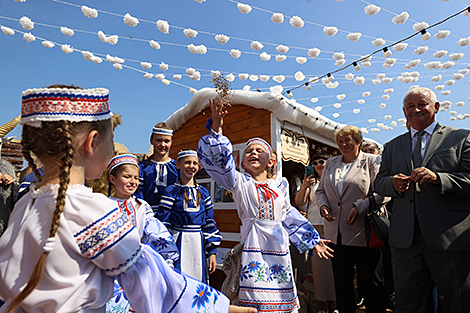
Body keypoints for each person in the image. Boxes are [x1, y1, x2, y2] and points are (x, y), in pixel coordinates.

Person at [0, 85, 256, 313]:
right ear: (92, 143)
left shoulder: (25, 203)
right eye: (111, 140)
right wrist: (219, 306)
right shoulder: (91, 210)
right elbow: (147, 278)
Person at [198, 99, 333, 312]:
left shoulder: (280, 184)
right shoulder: (239, 182)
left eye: (258, 150)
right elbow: (220, 164)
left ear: (271, 161)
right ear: (242, 164)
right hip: (253, 248)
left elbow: (289, 215)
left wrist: (313, 241)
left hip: (278, 248)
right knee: (254, 301)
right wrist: (216, 125)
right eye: (248, 151)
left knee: (280, 300)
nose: (252, 153)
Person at [374, 87, 470, 313]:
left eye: (422, 104)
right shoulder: (391, 146)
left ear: (436, 107)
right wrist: (392, 184)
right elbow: (379, 183)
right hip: (405, 241)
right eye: (410, 107)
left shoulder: (462, 138)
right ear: (404, 113)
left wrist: (439, 179)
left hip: (447, 239)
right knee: (409, 304)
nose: (416, 110)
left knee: (458, 303)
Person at [316, 125, 389, 313]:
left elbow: (384, 193)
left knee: (370, 284)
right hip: (335, 233)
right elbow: (321, 191)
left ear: (358, 142)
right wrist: (323, 206)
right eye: (340, 141)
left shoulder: (372, 161)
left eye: (347, 140)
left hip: (363, 232)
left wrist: (360, 206)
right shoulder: (331, 163)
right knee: (342, 285)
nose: (343, 144)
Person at [105, 154, 179, 313]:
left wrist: (168, 259)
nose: (133, 181)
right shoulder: (104, 205)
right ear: (113, 179)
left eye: (136, 177)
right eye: (127, 176)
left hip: (135, 266)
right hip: (109, 267)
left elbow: (156, 233)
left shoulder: (141, 206)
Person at [157, 149, 222, 283]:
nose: (191, 166)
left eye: (194, 163)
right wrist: (166, 251)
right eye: (187, 163)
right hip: (178, 243)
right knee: (178, 281)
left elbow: (209, 223)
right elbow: (163, 223)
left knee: (197, 282)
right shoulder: (171, 191)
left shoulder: (203, 193)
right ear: (178, 165)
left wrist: (212, 252)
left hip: (198, 245)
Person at [295, 153, 337, 313]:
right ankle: (322, 303)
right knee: (318, 269)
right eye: (315, 162)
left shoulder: (334, 180)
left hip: (333, 226)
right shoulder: (311, 183)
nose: (319, 164)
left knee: (335, 267)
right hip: (315, 229)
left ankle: (335, 303)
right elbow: (299, 203)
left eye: (322, 161)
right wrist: (305, 185)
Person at [134, 122, 179, 215]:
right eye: (158, 140)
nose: (162, 145)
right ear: (151, 141)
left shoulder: (177, 167)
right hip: (147, 216)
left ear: (171, 142)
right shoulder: (142, 168)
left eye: (166, 141)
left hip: (173, 218)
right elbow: (138, 195)